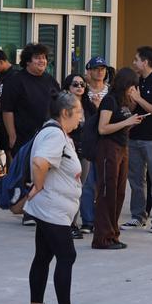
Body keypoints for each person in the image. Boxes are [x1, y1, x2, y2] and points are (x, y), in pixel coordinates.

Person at [22, 92, 93, 304]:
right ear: (65, 113)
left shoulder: (55, 132)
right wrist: (39, 185)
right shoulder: (54, 134)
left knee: (43, 256)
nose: (80, 119)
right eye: (79, 113)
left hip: (51, 208)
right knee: (66, 255)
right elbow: (40, 163)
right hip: (52, 209)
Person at [122, 46, 152, 233]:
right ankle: (138, 216)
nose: (134, 63)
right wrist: (131, 100)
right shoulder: (136, 81)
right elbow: (133, 107)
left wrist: (138, 98)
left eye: (136, 59)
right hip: (134, 137)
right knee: (135, 179)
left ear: (146, 62)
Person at [92, 68, 142, 250]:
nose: (133, 89)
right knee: (107, 192)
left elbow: (123, 124)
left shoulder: (124, 102)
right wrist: (127, 123)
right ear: (124, 84)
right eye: (131, 86)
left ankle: (113, 234)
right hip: (108, 149)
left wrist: (133, 120)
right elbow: (102, 128)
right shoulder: (110, 100)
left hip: (122, 147)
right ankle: (102, 237)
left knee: (119, 193)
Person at [0, 43, 61, 153]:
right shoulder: (15, 81)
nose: (42, 61)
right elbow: (7, 110)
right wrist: (12, 135)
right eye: (37, 58)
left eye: (44, 58)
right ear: (27, 61)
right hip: (24, 138)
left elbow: (59, 104)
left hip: (48, 136)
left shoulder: (50, 80)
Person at [62, 72, 97, 235]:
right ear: (68, 88)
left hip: (85, 152)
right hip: (68, 152)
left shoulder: (89, 106)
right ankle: (66, 224)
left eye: (82, 84)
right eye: (75, 84)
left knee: (80, 189)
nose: (79, 87)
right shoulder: (62, 107)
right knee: (68, 188)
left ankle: (73, 223)